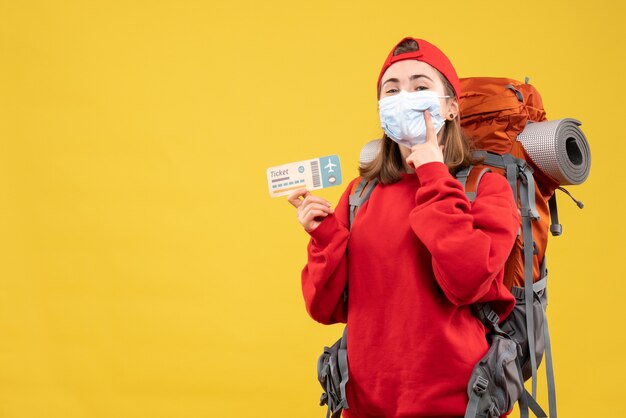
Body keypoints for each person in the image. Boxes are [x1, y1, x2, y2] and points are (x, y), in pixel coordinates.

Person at [288, 37, 519, 418]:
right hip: (364, 407)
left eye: (420, 87)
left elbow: (466, 280)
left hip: (460, 407)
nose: (403, 98)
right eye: (391, 91)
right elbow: (323, 308)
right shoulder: (360, 193)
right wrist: (324, 235)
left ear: (449, 108)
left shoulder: (486, 187)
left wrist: (433, 173)